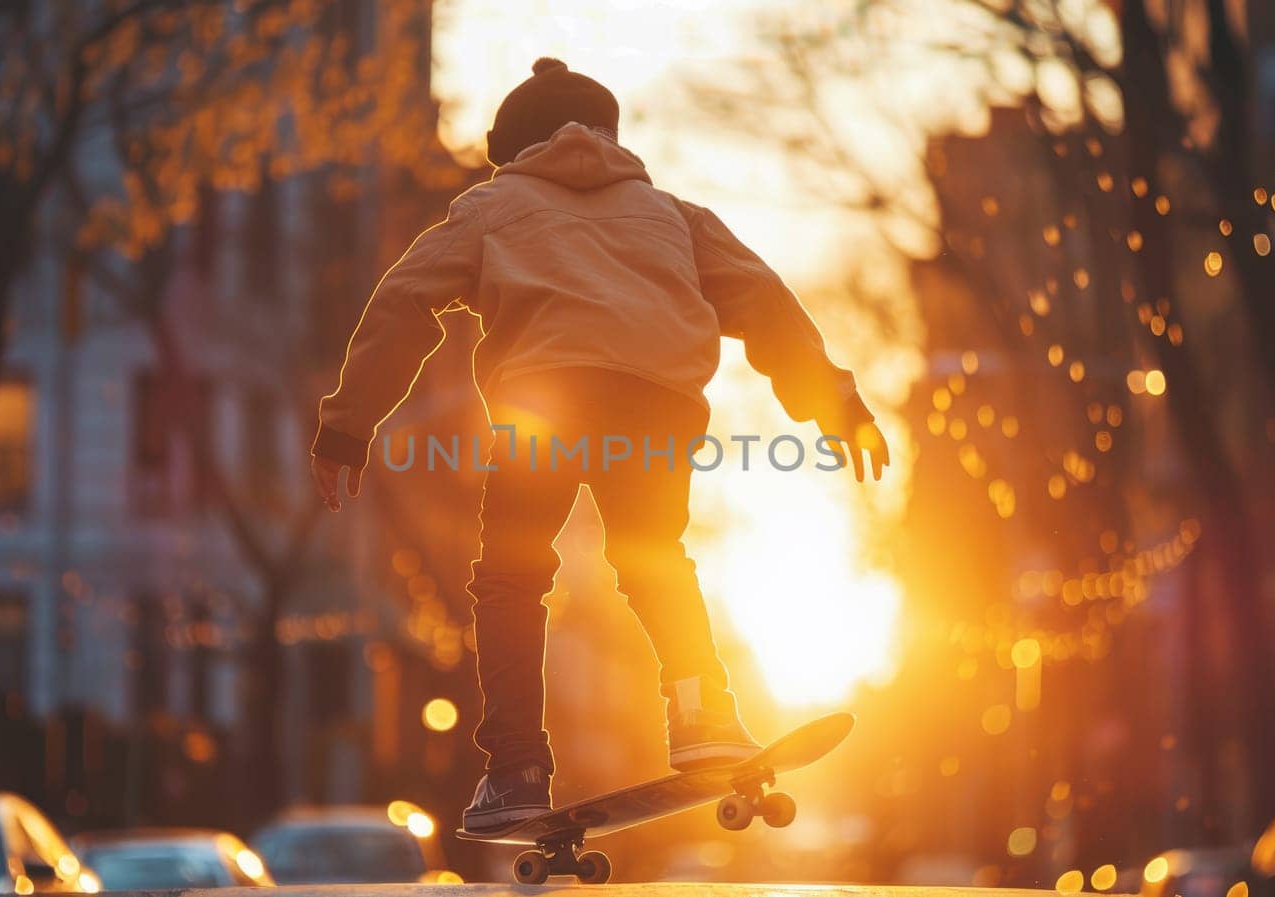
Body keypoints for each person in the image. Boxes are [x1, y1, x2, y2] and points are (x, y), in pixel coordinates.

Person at [310, 58, 888, 832]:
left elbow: (403, 302)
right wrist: (838, 404)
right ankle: (702, 712)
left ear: (513, 149)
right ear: (614, 138)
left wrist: (349, 424)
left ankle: (515, 764)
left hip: (543, 402)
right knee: (654, 555)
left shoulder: (490, 205)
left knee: (512, 577)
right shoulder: (674, 215)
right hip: (657, 401)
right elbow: (765, 300)